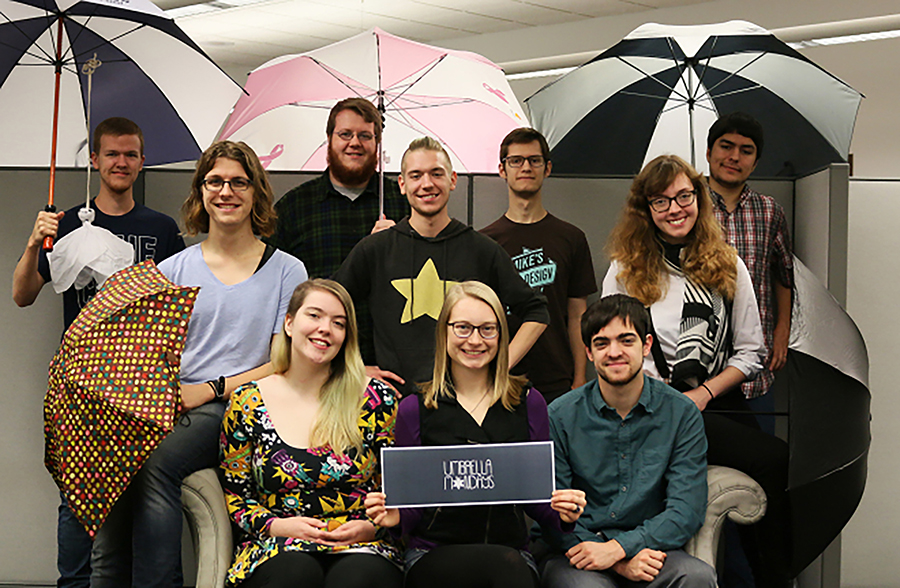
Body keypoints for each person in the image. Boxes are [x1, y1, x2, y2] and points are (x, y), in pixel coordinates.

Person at [90, 141, 308, 587]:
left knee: (157, 461)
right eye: (215, 182)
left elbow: (283, 363)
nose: (226, 192)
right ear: (200, 191)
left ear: (256, 192)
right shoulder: (172, 270)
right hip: (178, 404)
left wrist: (209, 389)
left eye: (238, 182)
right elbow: (150, 355)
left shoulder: (288, 270)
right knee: (112, 458)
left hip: (247, 408)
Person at [602, 155, 791, 588]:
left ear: (698, 199)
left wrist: (702, 395)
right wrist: (662, 398)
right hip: (646, 407)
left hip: (712, 403)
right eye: (661, 200)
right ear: (645, 209)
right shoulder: (624, 269)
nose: (675, 208)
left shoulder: (728, 264)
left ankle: (776, 580)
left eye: (684, 196)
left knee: (776, 460)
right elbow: (613, 349)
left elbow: (750, 352)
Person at [12, 116, 184, 588]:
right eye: (112, 154)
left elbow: (174, 309)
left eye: (131, 154)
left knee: (141, 495)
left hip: (141, 385)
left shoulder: (162, 229)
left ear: (142, 161)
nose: (121, 162)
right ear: (94, 161)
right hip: (81, 383)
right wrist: (33, 242)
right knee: (77, 497)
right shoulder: (64, 223)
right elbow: (22, 295)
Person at [365, 281, 585, 588]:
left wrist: (563, 513)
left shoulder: (528, 402)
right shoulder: (415, 408)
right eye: (463, 328)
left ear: (501, 334)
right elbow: (412, 508)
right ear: (444, 332)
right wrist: (397, 517)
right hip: (432, 552)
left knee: (507, 569)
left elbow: (537, 501)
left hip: (509, 552)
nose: (475, 340)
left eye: (487, 329)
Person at [334, 136, 549, 396]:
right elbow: (325, 308)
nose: (427, 184)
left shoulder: (483, 250)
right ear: (402, 184)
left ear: (453, 180)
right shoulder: (374, 250)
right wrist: (352, 368)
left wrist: (499, 367)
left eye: (436, 173)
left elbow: (537, 311)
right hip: (396, 405)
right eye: (416, 175)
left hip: (464, 405)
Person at [221, 279, 401, 588]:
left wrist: (371, 527)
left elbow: (396, 491)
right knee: (295, 575)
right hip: (277, 546)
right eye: (314, 316)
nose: (325, 328)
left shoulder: (376, 400)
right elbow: (237, 495)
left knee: (356, 580)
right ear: (289, 323)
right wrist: (277, 525)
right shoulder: (247, 401)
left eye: (338, 323)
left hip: (362, 546)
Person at [539, 294, 716, 588]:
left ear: (646, 345)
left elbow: (686, 509)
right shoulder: (558, 415)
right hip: (578, 551)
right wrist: (620, 563)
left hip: (652, 548)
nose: (614, 352)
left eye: (626, 340)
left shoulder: (681, 413)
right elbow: (550, 513)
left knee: (697, 577)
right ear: (589, 352)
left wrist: (619, 549)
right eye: (601, 343)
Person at [267, 97, 410, 363]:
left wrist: (397, 243)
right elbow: (275, 293)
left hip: (388, 361)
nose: (355, 142)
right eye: (345, 134)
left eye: (365, 135)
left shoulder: (403, 203)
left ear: (377, 145)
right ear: (329, 140)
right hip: (317, 361)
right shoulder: (293, 207)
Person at [481, 128, 596, 403]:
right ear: (502, 169)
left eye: (534, 160)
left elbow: (578, 315)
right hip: (500, 378)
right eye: (516, 161)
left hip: (557, 380)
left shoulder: (571, 238)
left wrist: (579, 379)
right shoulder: (484, 242)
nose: (526, 167)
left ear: (547, 169)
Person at [706, 112, 794, 413]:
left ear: (755, 162)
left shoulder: (770, 212)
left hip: (757, 368)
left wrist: (782, 332)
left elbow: (784, 277)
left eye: (746, 151)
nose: (734, 157)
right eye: (725, 146)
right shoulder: (686, 207)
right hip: (699, 368)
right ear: (708, 152)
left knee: (758, 456)